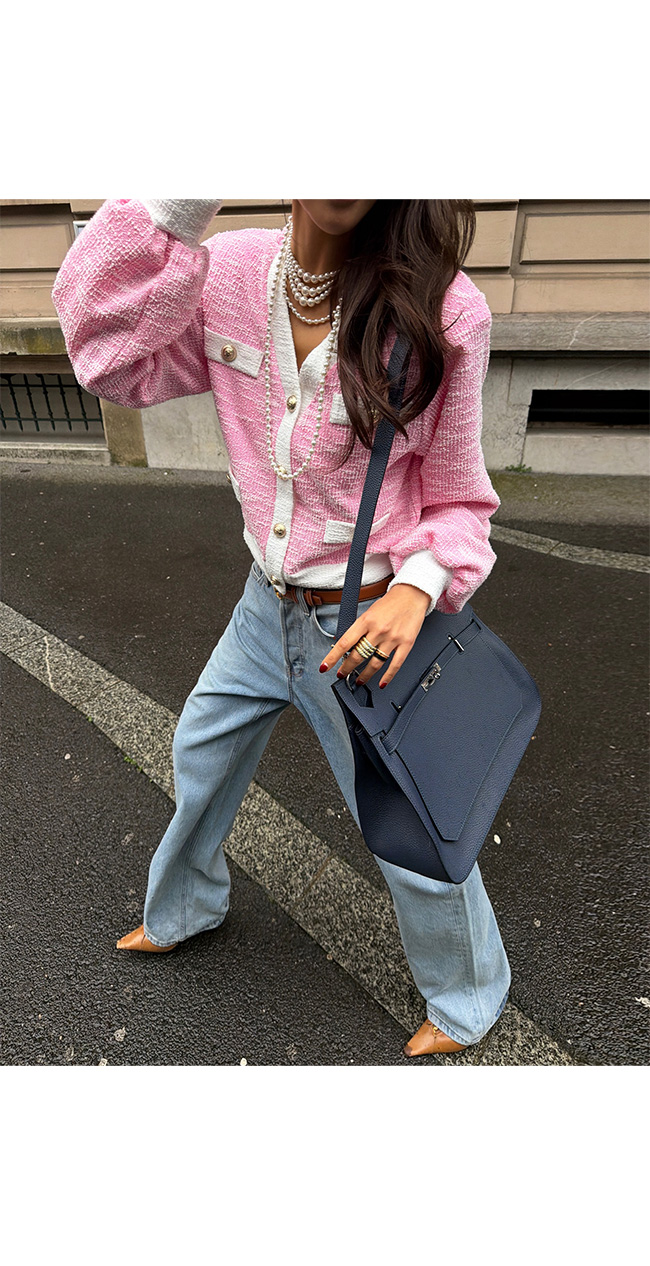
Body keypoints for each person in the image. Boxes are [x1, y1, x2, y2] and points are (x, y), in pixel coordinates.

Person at [51, 197, 511, 1058]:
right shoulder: (227, 270)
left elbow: (458, 498)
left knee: (414, 821)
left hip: (367, 630)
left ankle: (469, 997)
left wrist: (417, 589)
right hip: (264, 607)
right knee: (201, 749)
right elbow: (111, 362)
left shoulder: (445, 309)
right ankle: (187, 908)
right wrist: (177, 205)